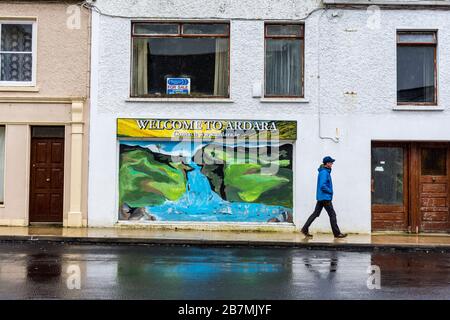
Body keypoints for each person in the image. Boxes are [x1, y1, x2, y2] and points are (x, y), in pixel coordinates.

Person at [301, 156, 347, 239]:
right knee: (332, 215)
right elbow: (323, 186)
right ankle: (337, 233)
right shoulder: (324, 172)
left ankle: (304, 229)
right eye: (331, 162)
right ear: (327, 163)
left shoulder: (324, 171)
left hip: (322, 197)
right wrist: (330, 191)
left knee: (315, 214)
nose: (332, 164)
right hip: (325, 197)